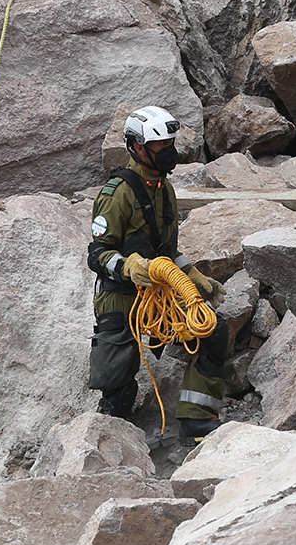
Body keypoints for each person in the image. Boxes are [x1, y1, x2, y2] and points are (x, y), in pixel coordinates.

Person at [85, 106, 229, 441]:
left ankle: (196, 420)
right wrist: (129, 267)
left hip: (160, 293)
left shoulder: (165, 190)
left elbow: (166, 251)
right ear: (137, 147)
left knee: (212, 330)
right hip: (121, 296)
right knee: (115, 382)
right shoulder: (116, 194)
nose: (170, 152)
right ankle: (112, 423)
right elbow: (98, 254)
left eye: (170, 143)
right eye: (160, 145)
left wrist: (192, 275)